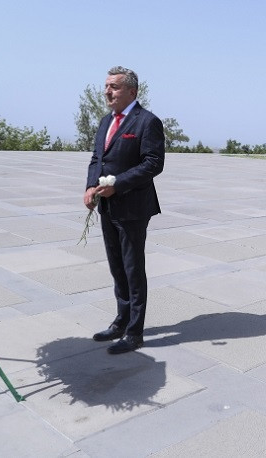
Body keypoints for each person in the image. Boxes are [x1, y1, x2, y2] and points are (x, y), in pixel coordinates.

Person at [86, 66, 165, 354]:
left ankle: (135, 332)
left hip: (132, 207)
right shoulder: (107, 121)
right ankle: (121, 320)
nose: (108, 91)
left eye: (114, 87)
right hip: (107, 205)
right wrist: (90, 187)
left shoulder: (147, 122)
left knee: (133, 269)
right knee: (116, 266)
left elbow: (153, 163)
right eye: (106, 86)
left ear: (132, 91)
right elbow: (98, 158)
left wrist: (118, 185)